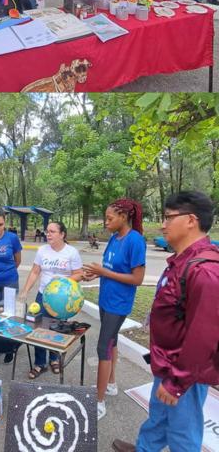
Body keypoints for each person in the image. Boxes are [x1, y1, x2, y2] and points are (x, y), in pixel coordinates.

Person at [110, 191, 219, 452]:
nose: (163, 224)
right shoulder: (183, 261)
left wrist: (177, 383)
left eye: (169, 218)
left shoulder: (205, 271)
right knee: (158, 419)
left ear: (191, 220)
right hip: (167, 364)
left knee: (183, 435)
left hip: (185, 374)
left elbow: (204, 338)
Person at [80, 199, 146, 420]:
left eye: (110, 218)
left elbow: (138, 278)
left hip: (119, 304)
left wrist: (104, 273)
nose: (105, 222)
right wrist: (95, 273)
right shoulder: (113, 238)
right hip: (105, 299)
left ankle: (98, 403)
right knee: (112, 342)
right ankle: (111, 384)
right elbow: (109, 267)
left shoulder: (135, 241)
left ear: (124, 217)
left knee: (103, 348)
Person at [21, 220, 84, 379]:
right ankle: (40, 363)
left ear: (62, 234)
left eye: (52, 231)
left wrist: (63, 280)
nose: (48, 234)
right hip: (43, 296)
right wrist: (25, 290)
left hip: (62, 299)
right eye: (47, 231)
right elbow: (35, 272)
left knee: (57, 329)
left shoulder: (71, 252)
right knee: (39, 329)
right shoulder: (42, 251)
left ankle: (54, 359)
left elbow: (79, 274)